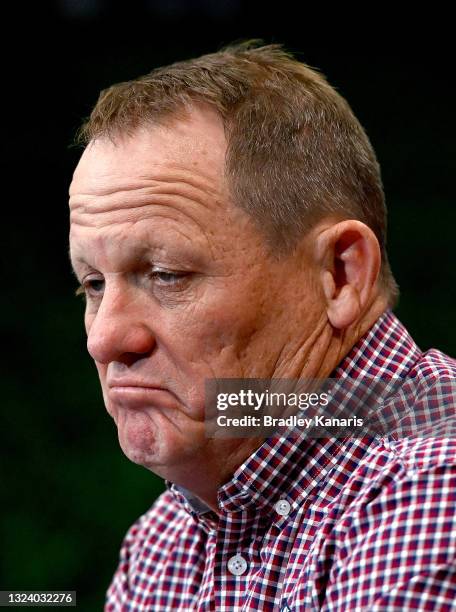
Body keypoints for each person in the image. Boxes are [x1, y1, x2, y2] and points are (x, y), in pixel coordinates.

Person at [69, 43, 456, 611]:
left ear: (341, 275)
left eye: (166, 275)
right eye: (93, 285)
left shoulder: (434, 488)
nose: (105, 339)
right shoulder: (164, 542)